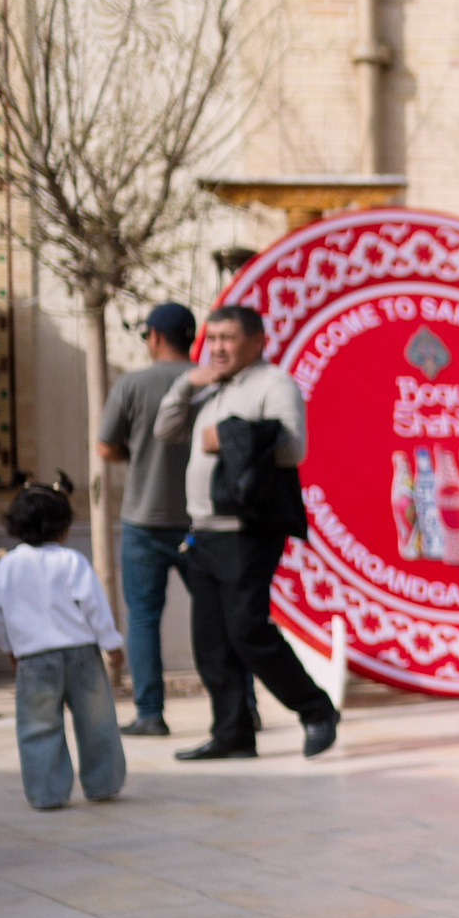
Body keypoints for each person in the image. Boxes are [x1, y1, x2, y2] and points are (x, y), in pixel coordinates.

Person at [155, 303, 340, 763]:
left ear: (256, 341)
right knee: (211, 640)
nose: (217, 348)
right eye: (211, 339)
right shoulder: (212, 386)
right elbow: (165, 430)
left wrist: (228, 434)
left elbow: (293, 448)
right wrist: (185, 383)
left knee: (247, 630)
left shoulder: (273, 383)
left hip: (247, 530)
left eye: (228, 339)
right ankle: (232, 732)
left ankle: (316, 710)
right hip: (203, 532)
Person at [0, 483, 125, 810]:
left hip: (33, 659)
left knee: (38, 726)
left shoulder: (7, 566)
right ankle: (104, 784)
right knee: (97, 722)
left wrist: (10, 646)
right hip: (82, 655)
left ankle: (47, 793)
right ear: (63, 526)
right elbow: (94, 606)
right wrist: (111, 643)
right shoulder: (71, 560)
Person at [94, 303, 197, 736]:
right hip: (201, 521)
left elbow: (105, 447)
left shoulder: (132, 384)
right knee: (222, 613)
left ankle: (150, 713)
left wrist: (135, 456)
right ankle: (242, 706)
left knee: (143, 617)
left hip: (144, 516)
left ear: (154, 336)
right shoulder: (210, 382)